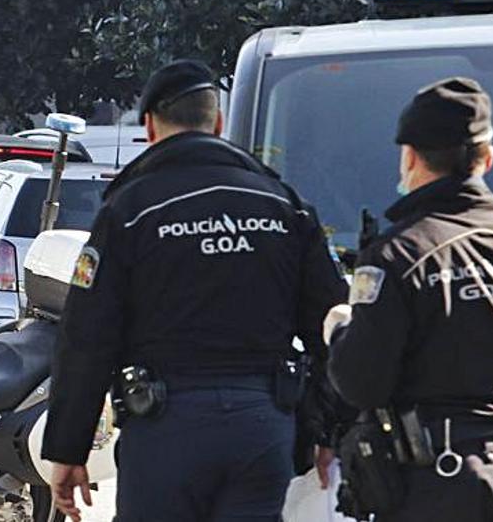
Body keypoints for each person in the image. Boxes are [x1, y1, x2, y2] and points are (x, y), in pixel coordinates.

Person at [42, 60, 347, 521]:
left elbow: (88, 336)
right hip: (261, 427)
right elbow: (333, 325)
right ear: (218, 122)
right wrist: (329, 430)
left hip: (166, 429)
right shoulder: (282, 205)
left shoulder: (131, 209)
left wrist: (68, 448)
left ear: (149, 125)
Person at [325, 78, 493, 521]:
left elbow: (362, 382)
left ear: (410, 157)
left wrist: (341, 330)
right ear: (488, 159)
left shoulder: (398, 253)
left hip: (440, 483)